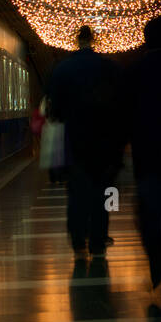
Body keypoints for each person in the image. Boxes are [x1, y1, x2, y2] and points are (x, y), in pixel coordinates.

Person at [47, 25, 124, 260]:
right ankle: (98, 241)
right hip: (105, 143)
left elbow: (55, 112)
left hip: (75, 141)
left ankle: (79, 242)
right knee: (102, 194)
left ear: (76, 40)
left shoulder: (63, 69)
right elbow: (122, 106)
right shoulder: (109, 67)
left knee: (77, 194)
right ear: (94, 40)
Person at [124, 16, 161, 287]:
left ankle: (156, 258)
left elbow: (123, 115)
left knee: (150, 213)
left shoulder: (135, 71)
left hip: (147, 158)